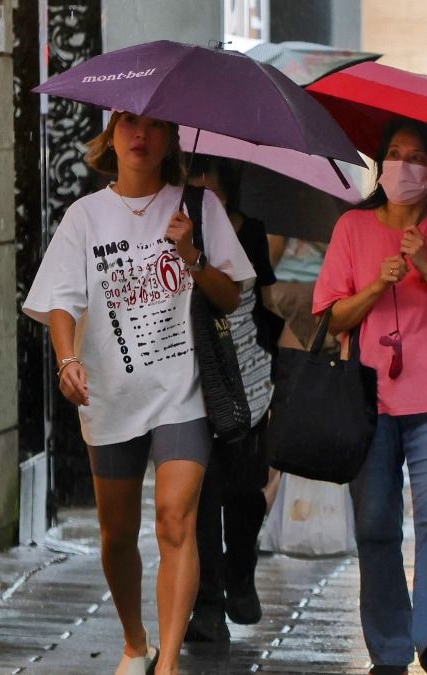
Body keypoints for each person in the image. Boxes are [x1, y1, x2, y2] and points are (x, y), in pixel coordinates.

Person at [23, 112, 254, 675]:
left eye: (154, 124)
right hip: (111, 394)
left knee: (176, 518)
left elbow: (231, 297)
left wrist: (193, 255)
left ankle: (169, 662)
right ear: (112, 135)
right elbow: (61, 300)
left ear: (173, 137)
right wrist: (68, 359)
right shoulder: (85, 217)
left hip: (183, 392)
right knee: (117, 534)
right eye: (128, 122)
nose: (140, 134)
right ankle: (135, 642)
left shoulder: (198, 208)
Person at [313, 117, 427, 675]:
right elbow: (332, 314)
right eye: (394, 153)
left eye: (417, 158)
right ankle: (390, 649)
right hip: (368, 402)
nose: (403, 166)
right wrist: (376, 286)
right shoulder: (353, 228)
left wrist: (424, 268)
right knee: (375, 526)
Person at [183, 156, 278, 643]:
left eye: (206, 180)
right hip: (190, 376)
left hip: (247, 374)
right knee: (201, 492)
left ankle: (241, 571)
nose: (198, 190)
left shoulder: (250, 231)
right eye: (190, 179)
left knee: (245, 491)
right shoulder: (172, 228)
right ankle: (208, 604)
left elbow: (259, 299)